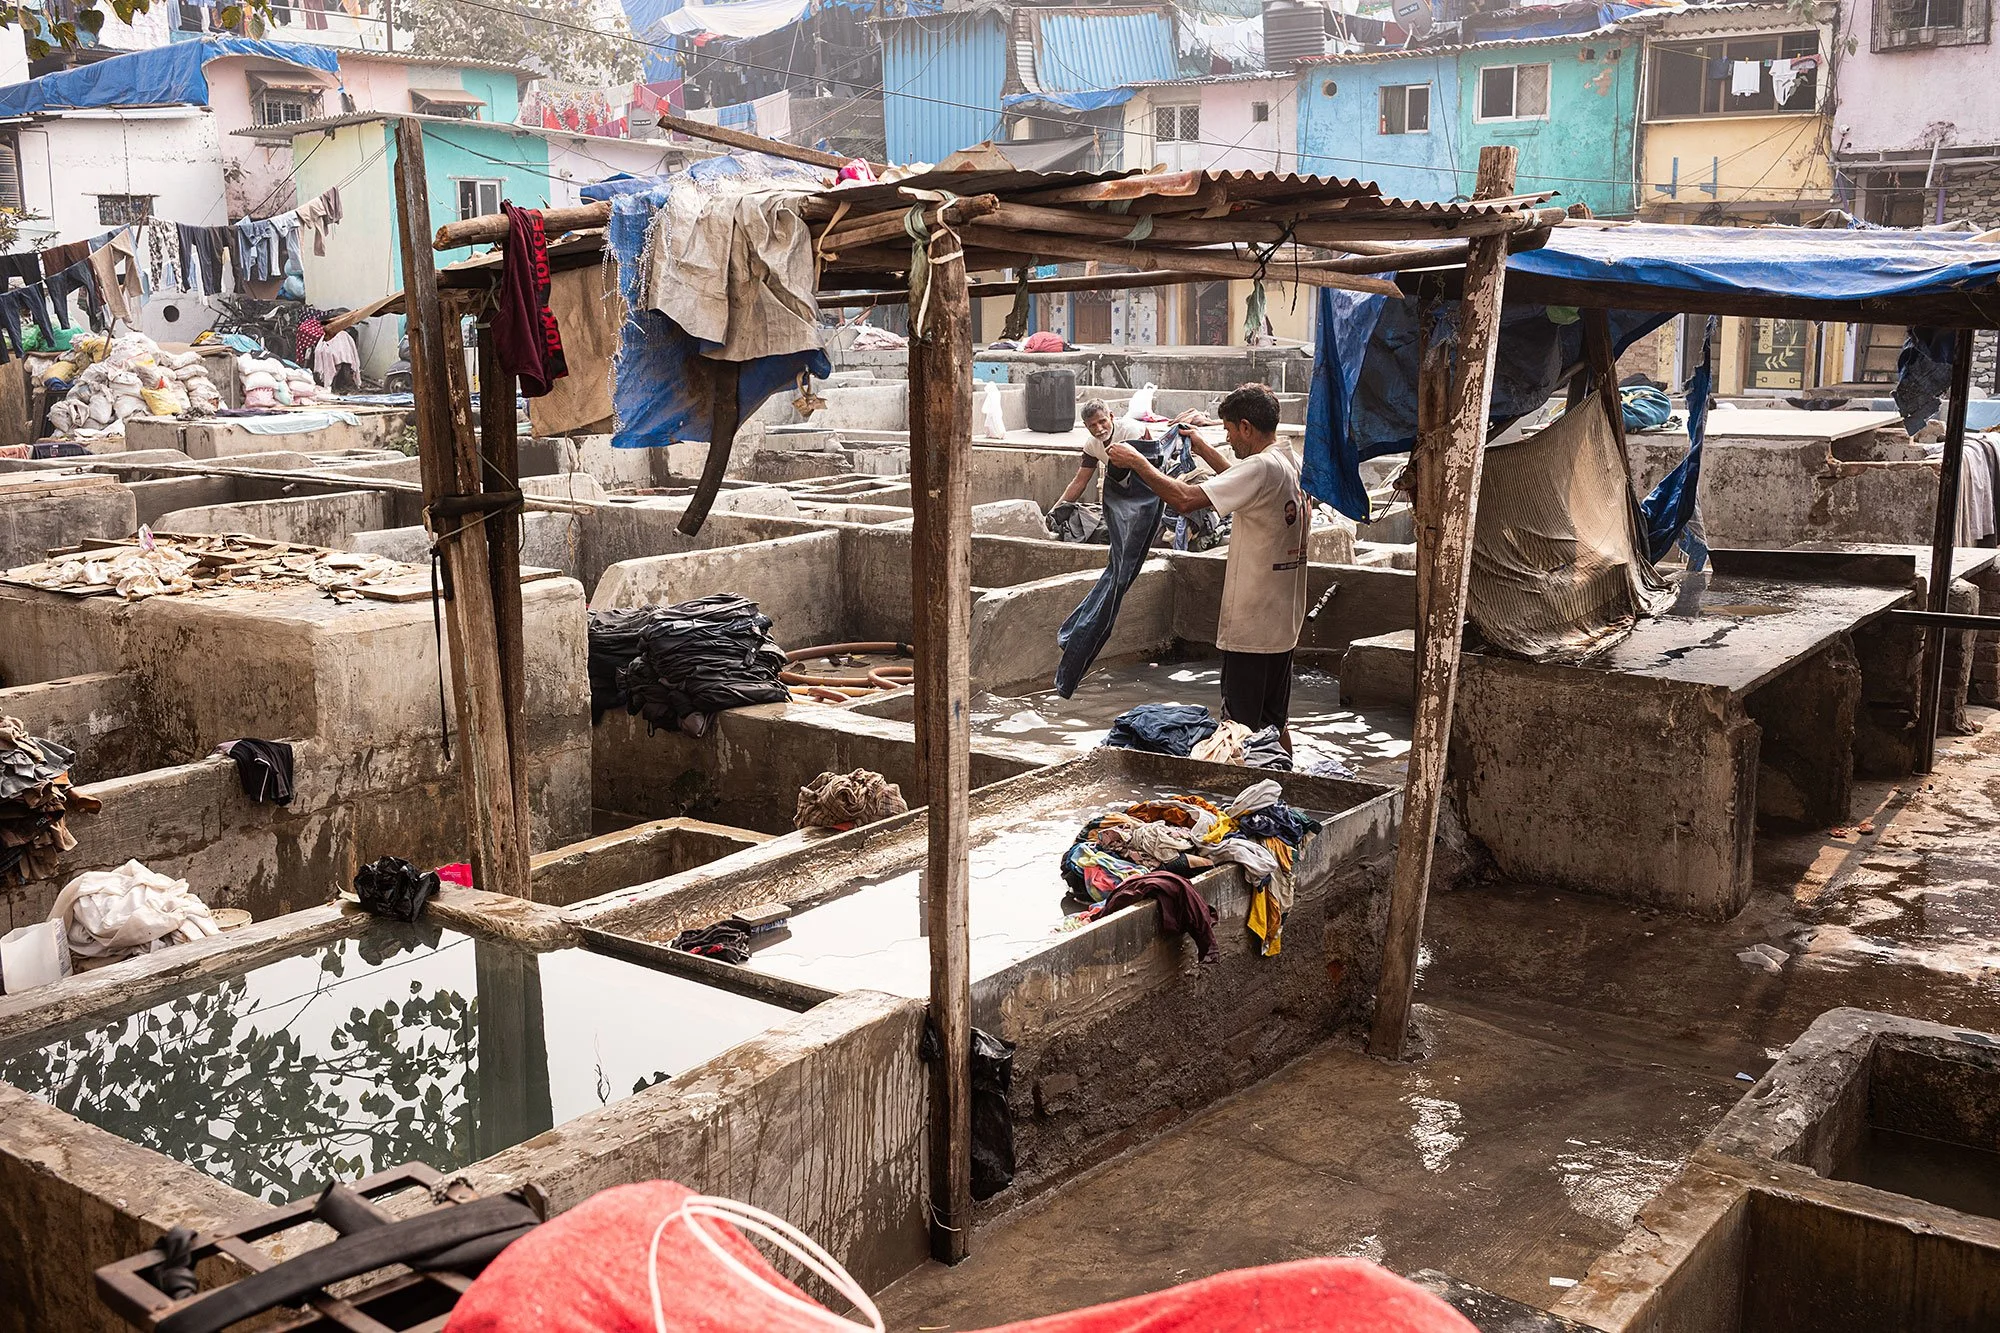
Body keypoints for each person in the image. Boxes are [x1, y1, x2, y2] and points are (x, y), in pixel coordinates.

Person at [1106, 383, 1308, 748]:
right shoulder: (1288, 462)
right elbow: (1243, 482)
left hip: (1253, 625)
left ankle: (1249, 800)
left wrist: (1137, 462)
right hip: (1282, 622)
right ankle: (1285, 785)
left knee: (1238, 731)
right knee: (1275, 723)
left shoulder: (1261, 467)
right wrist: (1203, 447)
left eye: (1230, 432)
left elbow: (1185, 499)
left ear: (1246, 427)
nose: (1229, 440)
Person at [1056, 398, 1149, 506]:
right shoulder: (1092, 445)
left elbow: (1144, 471)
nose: (1099, 429)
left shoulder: (1131, 432)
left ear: (1111, 416)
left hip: (1147, 486)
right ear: (1086, 426)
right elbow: (1079, 482)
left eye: (1102, 421)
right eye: (1093, 425)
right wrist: (1054, 511)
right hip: (1121, 487)